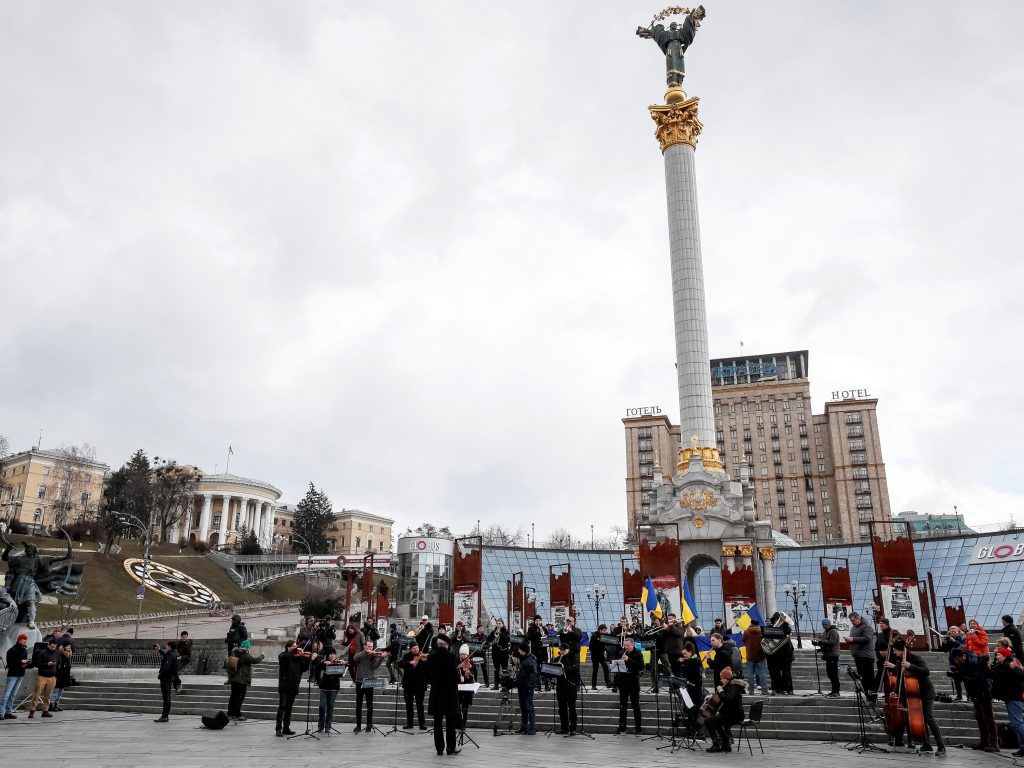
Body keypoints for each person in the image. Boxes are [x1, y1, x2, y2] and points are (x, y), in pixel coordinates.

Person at [885, 639, 946, 754]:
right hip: (913, 694)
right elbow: (900, 679)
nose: (894, 652)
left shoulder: (916, 658)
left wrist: (910, 666)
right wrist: (895, 691)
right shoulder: (899, 662)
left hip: (926, 692)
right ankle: (926, 744)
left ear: (902, 650)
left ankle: (941, 746)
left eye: (895, 650)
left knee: (929, 718)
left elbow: (926, 671)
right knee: (921, 719)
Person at [951, 647, 997, 752]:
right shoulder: (964, 664)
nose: (956, 662)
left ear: (964, 656)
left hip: (984, 693)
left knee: (988, 718)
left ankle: (994, 743)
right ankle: (984, 742)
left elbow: (978, 678)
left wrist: (962, 677)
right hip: (976, 694)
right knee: (980, 718)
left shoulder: (974, 662)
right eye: (955, 660)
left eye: (958, 659)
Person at [425, 635, 461, 755]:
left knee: (437, 723)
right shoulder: (451, 657)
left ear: (438, 644)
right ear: (447, 645)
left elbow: (427, 675)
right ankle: (450, 748)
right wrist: (460, 678)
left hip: (436, 694)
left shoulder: (431, 657)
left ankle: (439, 749)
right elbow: (455, 676)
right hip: (449, 694)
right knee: (450, 722)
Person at [990, 649, 1024, 756]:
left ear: (1005, 656)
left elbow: (1018, 676)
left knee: (1017, 724)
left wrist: (1014, 668)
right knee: (1017, 724)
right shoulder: (1007, 665)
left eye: (999, 655)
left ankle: (1023, 747)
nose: (996, 656)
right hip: (1012, 697)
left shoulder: (1011, 665)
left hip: (1014, 698)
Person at [705, 666, 744, 753]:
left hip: (733, 715)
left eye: (722, 678)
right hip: (730, 713)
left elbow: (728, 699)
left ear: (727, 678)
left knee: (708, 721)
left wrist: (721, 691)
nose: (721, 680)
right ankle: (725, 744)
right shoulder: (729, 685)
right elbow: (723, 696)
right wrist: (712, 696)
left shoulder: (733, 686)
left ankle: (716, 744)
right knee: (715, 722)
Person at [225, 639, 264, 721]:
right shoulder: (245, 655)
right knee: (239, 698)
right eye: (249, 647)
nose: (249, 649)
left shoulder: (236, 653)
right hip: (241, 680)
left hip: (234, 680)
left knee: (233, 697)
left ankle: (230, 714)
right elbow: (255, 660)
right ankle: (237, 715)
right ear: (246, 648)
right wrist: (262, 656)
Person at [352, 639, 385, 732]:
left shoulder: (373, 656)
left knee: (369, 704)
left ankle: (369, 725)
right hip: (360, 681)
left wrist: (381, 658)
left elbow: (375, 667)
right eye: (368, 646)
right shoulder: (361, 654)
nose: (370, 648)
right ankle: (358, 725)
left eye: (371, 647)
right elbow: (355, 658)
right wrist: (365, 652)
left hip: (370, 681)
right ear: (365, 646)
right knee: (359, 704)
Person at [275, 640, 308, 736]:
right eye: (293, 646)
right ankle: (278, 728)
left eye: (296, 646)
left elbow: (304, 668)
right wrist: (295, 650)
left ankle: (286, 727)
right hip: (285, 685)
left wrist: (304, 657)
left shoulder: (298, 657)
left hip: (294, 685)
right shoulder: (283, 655)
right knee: (282, 706)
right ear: (288, 647)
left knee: (289, 708)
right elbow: (285, 657)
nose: (295, 648)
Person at [616, 636, 645, 735]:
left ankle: (638, 728)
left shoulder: (638, 653)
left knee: (635, 706)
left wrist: (629, 659)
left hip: (633, 683)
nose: (626, 647)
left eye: (628, 645)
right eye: (625, 645)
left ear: (632, 645)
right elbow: (617, 666)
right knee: (622, 706)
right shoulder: (621, 652)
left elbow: (641, 666)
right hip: (623, 682)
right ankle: (622, 727)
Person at [846, 612, 877, 701]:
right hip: (858, 656)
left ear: (858, 618)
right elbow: (853, 639)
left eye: (853, 620)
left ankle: (873, 699)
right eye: (851, 621)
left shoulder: (866, 627)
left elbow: (867, 639)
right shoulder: (853, 628)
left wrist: (853, 639)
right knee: (862, 678)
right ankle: (868, 697)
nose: (852, 622)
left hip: (866, 656)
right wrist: (849, 640)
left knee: (869, 678)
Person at [28, 636, 60, 718]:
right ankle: (32, 710)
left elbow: (58, 663)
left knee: (48, 695)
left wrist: (56, 673)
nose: (53, 648)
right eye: (52, 647)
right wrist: (47, 664)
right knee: (37, 694)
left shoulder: (57, 653)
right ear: (48, 645)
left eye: (54, 647)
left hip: (52, 676)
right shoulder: (42, 653)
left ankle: (45, 710)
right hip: (42, 676)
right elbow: (37, 664)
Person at [398, 643, 428, 730]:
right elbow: (400, 664)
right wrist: (410, 662)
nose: (416, 650)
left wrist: (424, 661)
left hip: (420, 684)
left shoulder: (422, 657)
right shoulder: (406, 656)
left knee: (420, 705)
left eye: (417, 648)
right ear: (410, 649)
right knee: (409, 705)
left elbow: (427, 668)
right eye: (414, 648)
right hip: (408, 684)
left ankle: (422, 723)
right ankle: (409, 723)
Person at [314, 648, 344, 734]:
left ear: (335, 655)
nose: (332, 656)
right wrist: (323, 663)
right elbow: (317, 668)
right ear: (328, 656)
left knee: (330, 706)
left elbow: (341, 674)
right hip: (324, 688)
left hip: (334, 688)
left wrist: (343, 664)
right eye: (330, 654)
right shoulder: (325, 663)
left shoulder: (338, 663)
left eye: (333, 654)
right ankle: (320, 726)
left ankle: (328, 726)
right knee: (322, 706)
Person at [554, 640, 580, 734]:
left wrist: (564, 667)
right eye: (561, 650)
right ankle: (564, 728)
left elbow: (575, 669)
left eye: (563, 650)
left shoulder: (573, 657)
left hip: (570, 686)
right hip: (561, 686)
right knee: (562, 709)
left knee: (571, 708)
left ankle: (573, 728)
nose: (562, 651)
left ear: (568, 650)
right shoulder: (558, 658)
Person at [2, 633, 30, 719]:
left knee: (13, 694)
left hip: (20, 674)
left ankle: (8, 712)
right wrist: (21, 662)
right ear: (19, 640)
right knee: (7, 694)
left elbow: (23, 663)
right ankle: (0, 712)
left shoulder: (24, 650)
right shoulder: (12, 650)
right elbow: (10, 664)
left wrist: (27, 663)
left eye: (25, 640)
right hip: (12, 674)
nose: (25, 641)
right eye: (23, 640)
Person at [515, 642, 539, 735]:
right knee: (523, 707)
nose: (518, 651)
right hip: (521, 686)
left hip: (527, 688)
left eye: (519, 649)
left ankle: (532, 728)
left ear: (523, 650)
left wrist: (530, 686)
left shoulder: (530, 660)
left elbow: (533, 674)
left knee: (529, 707)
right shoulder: (523, 659)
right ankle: (524, 727)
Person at [813, 618, 841, 696]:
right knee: (830, 674)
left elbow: (832, 642)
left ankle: (836, 691)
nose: (824, 626)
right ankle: (833, 690)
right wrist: (818, 646)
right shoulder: (825, 632)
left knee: (833, 674)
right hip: (828, 655)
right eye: (823, 625)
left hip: (833, 655)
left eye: (825, 624)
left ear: (829, 624)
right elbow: (825, 644)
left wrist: (821, 642)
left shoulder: (833, 632)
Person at [154, 640, 179, 723]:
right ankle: (165, 716)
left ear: (170, 647)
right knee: (167, 697)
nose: (166, 647)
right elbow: (166, 656)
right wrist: (159, 650)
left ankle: (164, 716)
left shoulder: (171, 655)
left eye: (167, 646)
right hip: (171, 678)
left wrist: (160, 675)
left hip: (166, 678)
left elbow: (166, 668)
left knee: (166, 698)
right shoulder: (176, 654)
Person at [741, 620, 768, 695]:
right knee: (762, 673)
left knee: (750, 674)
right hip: (761, 655)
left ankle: (751, 691)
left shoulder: (746, 631)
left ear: (751, 623)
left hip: (750, 656)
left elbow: (743, 640)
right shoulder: (761, 632)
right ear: (758, 624)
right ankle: (764, 690)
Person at [941, 626, 966, 701]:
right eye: (951, 631)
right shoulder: (948, 639)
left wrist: (954, 641)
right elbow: (945, 650)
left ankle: (969, 695)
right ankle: (959, 695)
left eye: (954, 631)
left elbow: (963, 647)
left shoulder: (962, 638)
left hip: (962, 661)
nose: (952, 633)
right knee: (956, 680)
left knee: (966, 679)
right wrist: (944, 642)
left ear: (958, 632)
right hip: (953, 662)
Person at [50, 640, 74, 711]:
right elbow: (57, 665)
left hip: (65, 675)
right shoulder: (59, 653)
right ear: (64, 647)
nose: (69, 647)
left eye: (70, 646)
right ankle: (52, 704)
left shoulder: (68, 655)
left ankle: (56, 704)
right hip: (59, 674)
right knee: (56, 690)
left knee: (61, 690)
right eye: (68, 646)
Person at [457, 643, 477, 728]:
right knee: (457, 705)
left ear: (467, 654)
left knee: (465, 706)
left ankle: (463, 724)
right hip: (459, 686)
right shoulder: (457, 661)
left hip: (467, 686)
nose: (463, 656)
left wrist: (468, 674)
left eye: (465, 654)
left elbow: (474, 674)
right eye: (461, 654)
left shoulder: (470, 662)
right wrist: (459, 675)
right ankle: (458, 723)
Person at [590, 624, 613, 689]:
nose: (605, 632)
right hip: (595, 655)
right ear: (600, 630)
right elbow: (591, 647)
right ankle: (593, 685)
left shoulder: (604, 636)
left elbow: (606, 645)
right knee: (595, 670)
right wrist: (601, 646)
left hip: (601, 655)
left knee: (606, 668)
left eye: (605, 630)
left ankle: (608, 683)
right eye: (604, 630)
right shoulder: (594, 636)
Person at [488, 619, 510, 688]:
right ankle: (496, 684)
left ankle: (504, 685)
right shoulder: (494, 631)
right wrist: (493, 635)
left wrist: (500, 634)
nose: (498, 625)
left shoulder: (506, 631)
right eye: (497, 623)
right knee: (496, 669)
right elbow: (489, 639)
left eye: (500, 623)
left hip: (503, 654)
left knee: (504, 669)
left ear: (503, 624)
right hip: (495, 654)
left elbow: (507, 640)